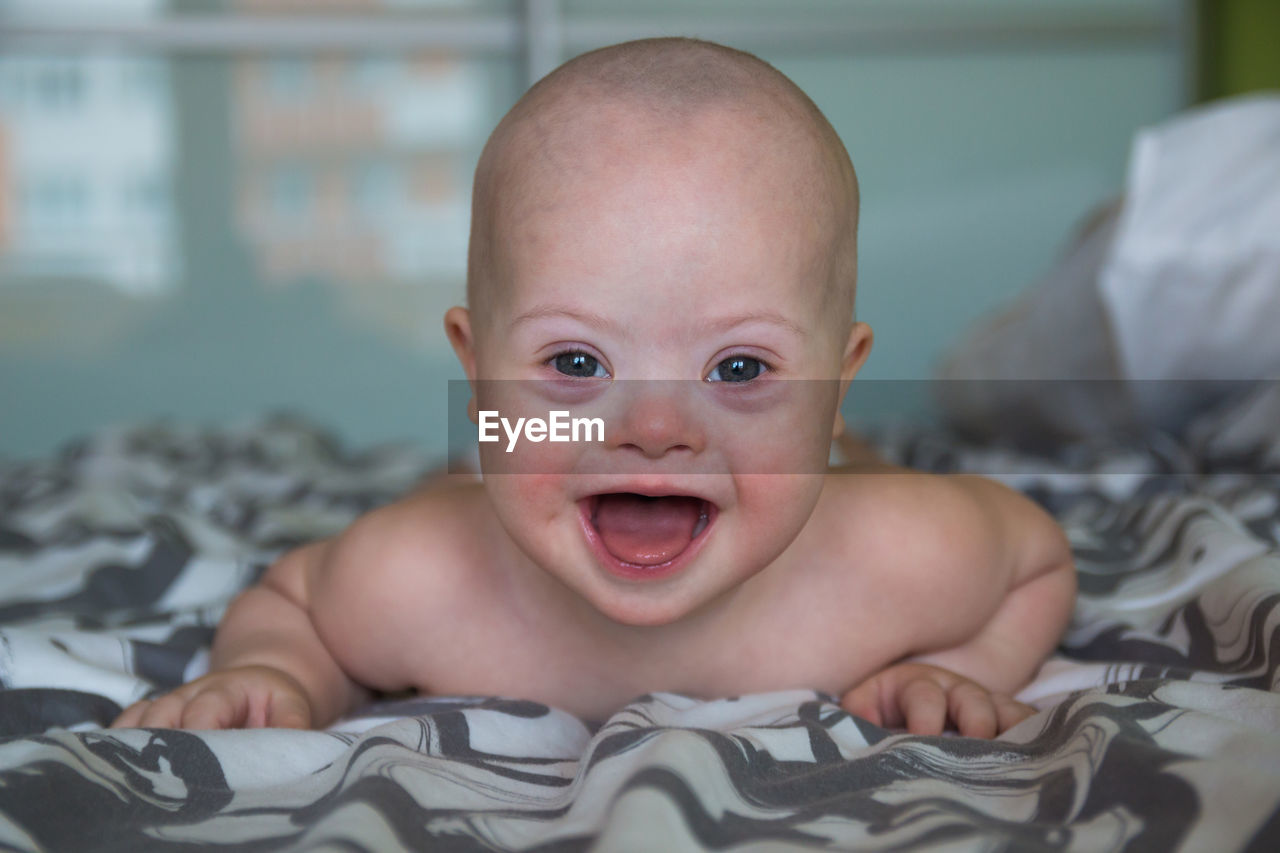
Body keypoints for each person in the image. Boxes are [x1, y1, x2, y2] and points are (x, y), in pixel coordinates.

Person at [112, 37, 1076, 738]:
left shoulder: (893, 560)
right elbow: (295, 598)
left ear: (837, 383)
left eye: (739, 369)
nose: (655, 428)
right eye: (577, 364)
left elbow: (1036, 560)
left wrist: (958, 669)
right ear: (476, 364)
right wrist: (278, 671)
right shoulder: (423, 580)